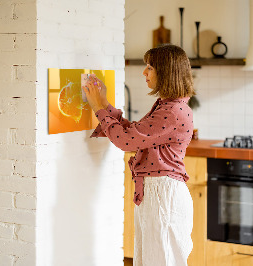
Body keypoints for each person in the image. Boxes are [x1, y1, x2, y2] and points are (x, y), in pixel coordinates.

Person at [83, 44, 195, 266]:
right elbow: (134, 133)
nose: (144, 72)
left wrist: (97, 107)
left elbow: (126, 141)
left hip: (163, 195)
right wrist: (104, 103)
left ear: (166, 72)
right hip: (158, 193)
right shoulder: (168, 106)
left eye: (150, 67)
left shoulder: (172, 111)